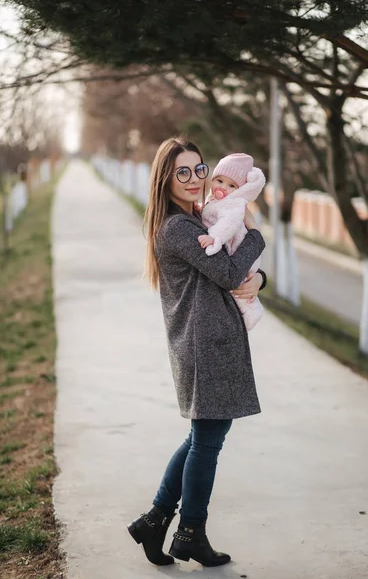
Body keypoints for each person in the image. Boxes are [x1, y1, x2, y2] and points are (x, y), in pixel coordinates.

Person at [127, 137, 266, 568]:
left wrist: (259, 277)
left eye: (199, 169)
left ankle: (155, 522)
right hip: (204, 345)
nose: (194, 179)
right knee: (207, 443)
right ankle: (190, 532)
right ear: (165, 179)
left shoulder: (196, 220)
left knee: (201, 438)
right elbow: (227, 272)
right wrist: (258, 238)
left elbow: (233, 269)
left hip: (210, 342)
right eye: (182, 172)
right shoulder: (178, 228)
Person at [198, 152, 266, 330]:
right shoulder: (213, 200)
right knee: (240, 288)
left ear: (241, 189)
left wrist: (214, 237)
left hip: (237, 246)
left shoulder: (234, 205)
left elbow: (229, 223)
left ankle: (252, 314)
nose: (223, 187)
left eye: (231, 185)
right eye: (219, 181)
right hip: (237, 251)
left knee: (241, 291)